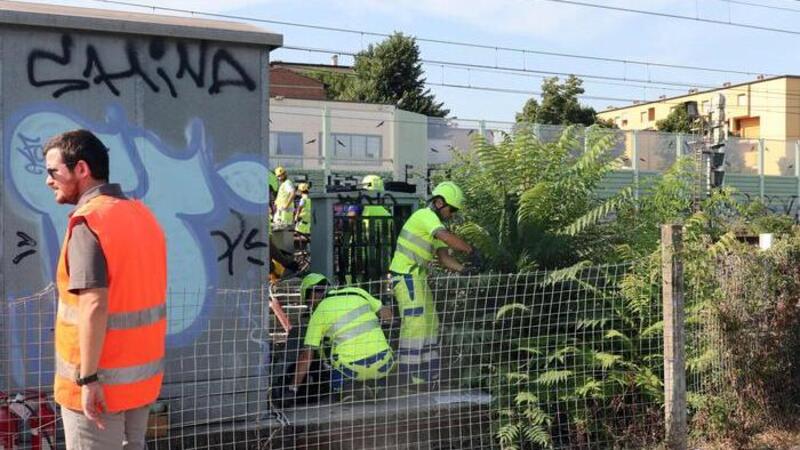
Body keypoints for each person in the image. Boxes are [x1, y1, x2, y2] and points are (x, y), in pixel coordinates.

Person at [44, 129, 167, 449]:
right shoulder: (143, 216)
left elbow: (94, 305)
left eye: (53, 172)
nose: (48, 181)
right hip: (140, 385)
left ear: (81, 169)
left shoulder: (89, 222)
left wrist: (87, 379)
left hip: (99, 389)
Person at [388, 181, 480, 387]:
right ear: (439, 203)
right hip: (406, 276)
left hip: (417, 277)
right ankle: (407, 377)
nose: (453, 213)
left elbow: (444, 258)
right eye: (452, 209)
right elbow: (445, 237)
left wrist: (465, 270)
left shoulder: (434, 224)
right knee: (416, 324)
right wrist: (470, 250)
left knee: (431, 323)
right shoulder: (425, 216)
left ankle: (427, 375)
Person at [287, 273, 394, 402]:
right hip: (384, 364)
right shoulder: (357, 292)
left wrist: (291, 389)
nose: (311, 308)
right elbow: (388, 316)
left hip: (352, 370)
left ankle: (345, 387)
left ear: (312, 295)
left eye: (309, 304)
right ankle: (376, 385)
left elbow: (306, 357)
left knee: (326, 349)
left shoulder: (319, 313)